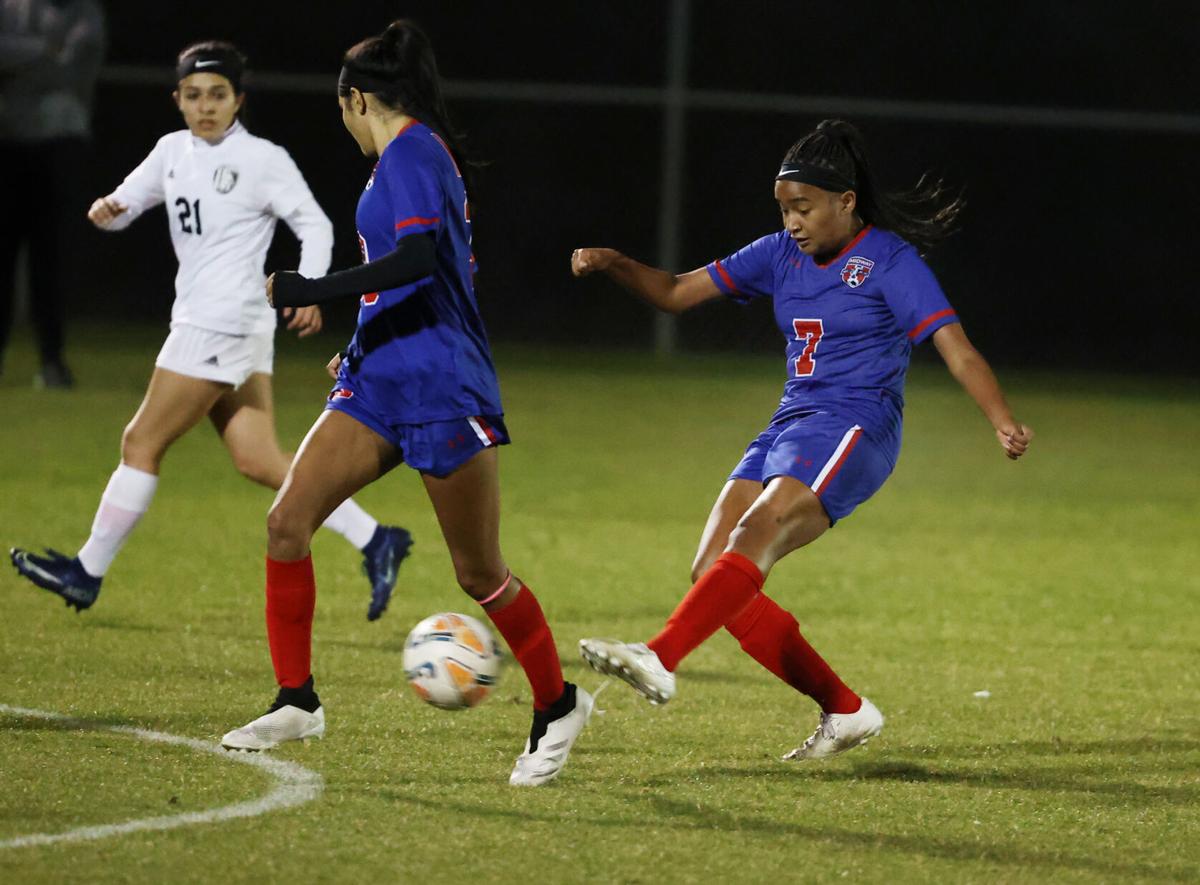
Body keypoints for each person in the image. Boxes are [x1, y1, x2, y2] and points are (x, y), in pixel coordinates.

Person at [573, 119, 1033, 761]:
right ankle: (845, 711)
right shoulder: (778, 254)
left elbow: (954, 348)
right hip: (791, 422)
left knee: (754, 536)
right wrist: (616, 263)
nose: (792, 221)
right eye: (785, 208)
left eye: (805, 207)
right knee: (713, 575)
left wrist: (1000, 418)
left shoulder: (888, 260)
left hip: (858, 426)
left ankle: (659, 654)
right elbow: (677, 293)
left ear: (845, 202)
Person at [218, 20, 593, 788]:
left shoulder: (415, 151)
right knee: (288, 521)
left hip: (443, 386)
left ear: (356, 99)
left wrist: (309, 289)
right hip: (380, 380)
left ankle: (557, 704)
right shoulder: (399, 162)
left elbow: (421, 261)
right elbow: (407, 274)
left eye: (342, 109)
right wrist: (360, 338)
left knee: (478, 571)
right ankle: (297, 701)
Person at [9, 40, 412, 621]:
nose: (206, 106)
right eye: (194, 95)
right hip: (225, 325)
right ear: (178, 99)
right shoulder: (172, 151)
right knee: (257, 459)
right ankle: (378, 538)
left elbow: (315, 225)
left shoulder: (262, 159)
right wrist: (109, 209)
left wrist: (311, 287)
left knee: (140, 443)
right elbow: (127, 203)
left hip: (219, 322)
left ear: (238, 100)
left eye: (218, 95)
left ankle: (87, 571)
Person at [0, 0, 106, 387]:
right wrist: (43, 50)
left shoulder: (82, 11)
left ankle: (52, 362)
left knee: (51, 258)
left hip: (61, 144)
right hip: (7, 141)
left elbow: (73, 64)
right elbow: (52, 61)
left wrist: (16, 64)